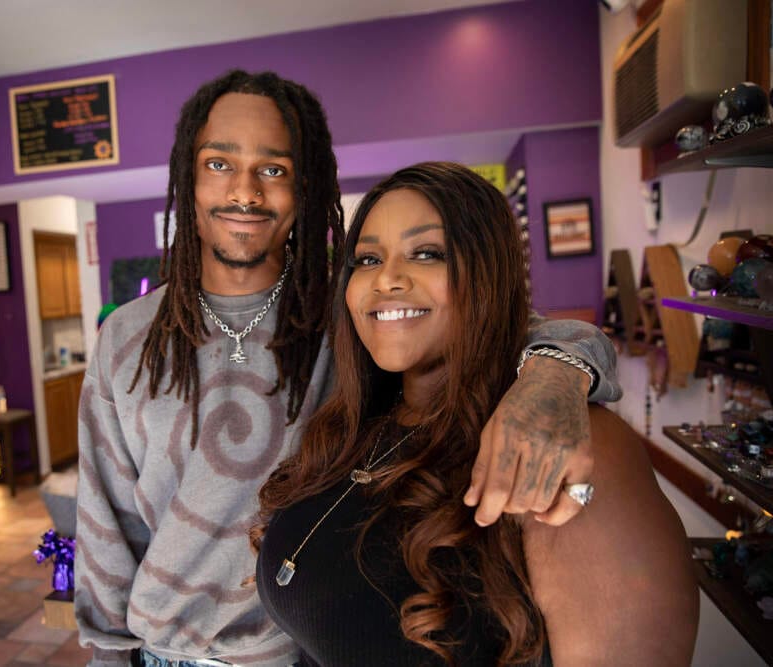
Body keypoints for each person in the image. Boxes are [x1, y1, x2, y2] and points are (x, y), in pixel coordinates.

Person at [75, 71, 622, 667]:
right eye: (219, 163)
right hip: (165, 655)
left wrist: (554, 378)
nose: (245, 192)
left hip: (302, 649)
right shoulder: (126, 337)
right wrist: (109, 657)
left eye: (274, 169)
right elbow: (107, 523)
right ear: (188, 176)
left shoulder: (356, 314)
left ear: (305, 187)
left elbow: (504, 325)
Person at [254, 162, 697, 666]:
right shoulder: (359, 421)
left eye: (428, 253)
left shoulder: (551, 437)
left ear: (488, 274)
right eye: (368, 259)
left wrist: (557, 373)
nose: (387, 279)